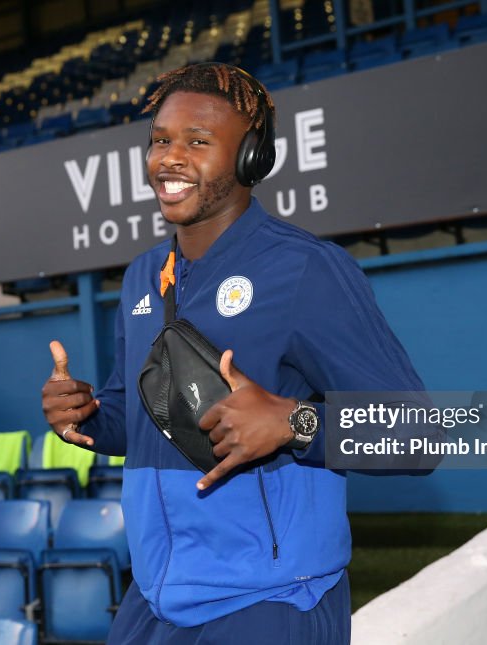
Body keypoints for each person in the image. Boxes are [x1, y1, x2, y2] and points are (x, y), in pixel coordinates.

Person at [41, 62, 427, 644]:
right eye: (161, 141)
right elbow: (137, 422)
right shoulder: (143, 277)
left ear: (252, 157)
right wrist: (87, 415)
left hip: (272, 599)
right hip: (155, 594)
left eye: (198, 142)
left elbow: (421, 435)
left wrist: (294, 423)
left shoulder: (305, 270)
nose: (170, 158)